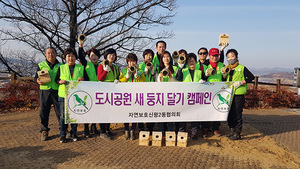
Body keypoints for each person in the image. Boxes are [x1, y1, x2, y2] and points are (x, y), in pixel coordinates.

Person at [55, 47, 88, 143]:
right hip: (63, 95)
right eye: (68, 56)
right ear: (65, 57)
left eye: (73, 56)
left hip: (76, 95)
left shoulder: (81, 68)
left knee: (74, 115)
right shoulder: (61, 68)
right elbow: (56, 80)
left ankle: (74, 134)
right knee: (63, 116)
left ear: (75, 57)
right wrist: (59, 81)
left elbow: (86, 79)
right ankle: (63, 134)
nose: (71, 58)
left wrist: (83, 79)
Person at [225, 49, 254, 140]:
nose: (230, 59)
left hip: (238, 94)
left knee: (237, 114)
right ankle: (232, 131)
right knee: (230, 113)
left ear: (237, 57)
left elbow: (251, 77)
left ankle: (237, 133)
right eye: (228, 57)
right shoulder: (226, 68)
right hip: (229, 94)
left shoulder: (242, 68)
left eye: (232, 56)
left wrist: (241, 82)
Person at [34, 47, 62, 141]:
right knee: (44, 112)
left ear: (56, 54)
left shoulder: (61, 65)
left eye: (53, 53)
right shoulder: (41, 65)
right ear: (46, 55)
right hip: (44, 91)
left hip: (57, 91)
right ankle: (44, 130)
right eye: (48, 53)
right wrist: (37, 81)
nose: (51, 55)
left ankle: (62, 130)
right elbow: (35, 78)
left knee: (60, 112)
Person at [175, 53, 205, 140]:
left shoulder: (199, 72)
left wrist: (203, 80)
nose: (191, 62)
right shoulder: (183, 71)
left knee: (194, 116)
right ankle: (182, 131)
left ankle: (194, 133)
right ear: (186, 63)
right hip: (185, 97)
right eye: (189, 61)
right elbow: (178, 78)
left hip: (195, 97)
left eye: (193, 60)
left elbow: (204, 80)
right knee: (183, 115)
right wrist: (180, 68)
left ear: (196, 62)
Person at [119, 53, 146, 140]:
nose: (132, 63)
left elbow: (144, 83)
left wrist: (136, 76)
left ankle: (133, 131)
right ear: (127, 62)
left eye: (133, 61)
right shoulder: (123, 71)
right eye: (130, 61)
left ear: (136, 62)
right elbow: (119, 81)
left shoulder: (140, 71)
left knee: (135, 114)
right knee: (126, 114)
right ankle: (126, 130)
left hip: (137, 96)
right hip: (126, 96)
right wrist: (126, 77)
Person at [78, 43, 101, 138]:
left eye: (95, 55)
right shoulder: (86, 64)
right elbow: (80, 56)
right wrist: (81, 46)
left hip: (98, 90)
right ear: (89, 57)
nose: (94, 57)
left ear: (98, 56)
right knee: (87, 109)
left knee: (96, 110)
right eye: (91, 55)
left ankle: (94, 126)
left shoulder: (102, 65)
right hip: (87, 90)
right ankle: (86, 127)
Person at [97, 48, 120, 140]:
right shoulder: (101, 65)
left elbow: (117, 76)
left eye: (113, 55)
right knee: (103, 112)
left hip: (112, 91)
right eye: (110, 55)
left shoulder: (115, 67)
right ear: (106, 56)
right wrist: (105, 70)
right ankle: (102, 132)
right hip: (103, 91)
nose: (112, 56)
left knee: (110, 111)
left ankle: (107, 130)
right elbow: (100, 78)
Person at [205, 48, 227, 137]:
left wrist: (225, 75)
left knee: (217, 109)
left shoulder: (222, 65)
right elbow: (201, 76)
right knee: (206, 109)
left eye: (216, 56)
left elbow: (225, 78)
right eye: (213, 56)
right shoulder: (205, 64)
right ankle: (205, 128)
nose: (214, 58)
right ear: (209, 56)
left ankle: (216, 128)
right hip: (207, 89)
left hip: (218, 90)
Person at [156, 51, 177, 133]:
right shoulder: (158, 69)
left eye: (168, 56)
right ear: (162, 59)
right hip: (160, 95)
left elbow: (178, 82)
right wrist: (159, 78)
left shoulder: (174, 68)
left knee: (170, 114)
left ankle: (170, 132)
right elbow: (156, 83)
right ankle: (161, 131)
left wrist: (171, 77)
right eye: (164, 57)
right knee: (161, 114)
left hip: (171, 95)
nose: (166, 58)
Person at [138, 49, 156, 133]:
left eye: (150, 55)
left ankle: (150, 127)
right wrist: (144, 72)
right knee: (141, 108)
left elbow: (157, 79)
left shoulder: (155, 66)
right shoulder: (140, 65)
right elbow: (138, 77)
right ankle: (141, 127)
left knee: (151, 109)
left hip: (152, 90)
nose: (149, 57)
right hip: (142, 90)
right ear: (144, 56)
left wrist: (153, 73)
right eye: (147, 55)